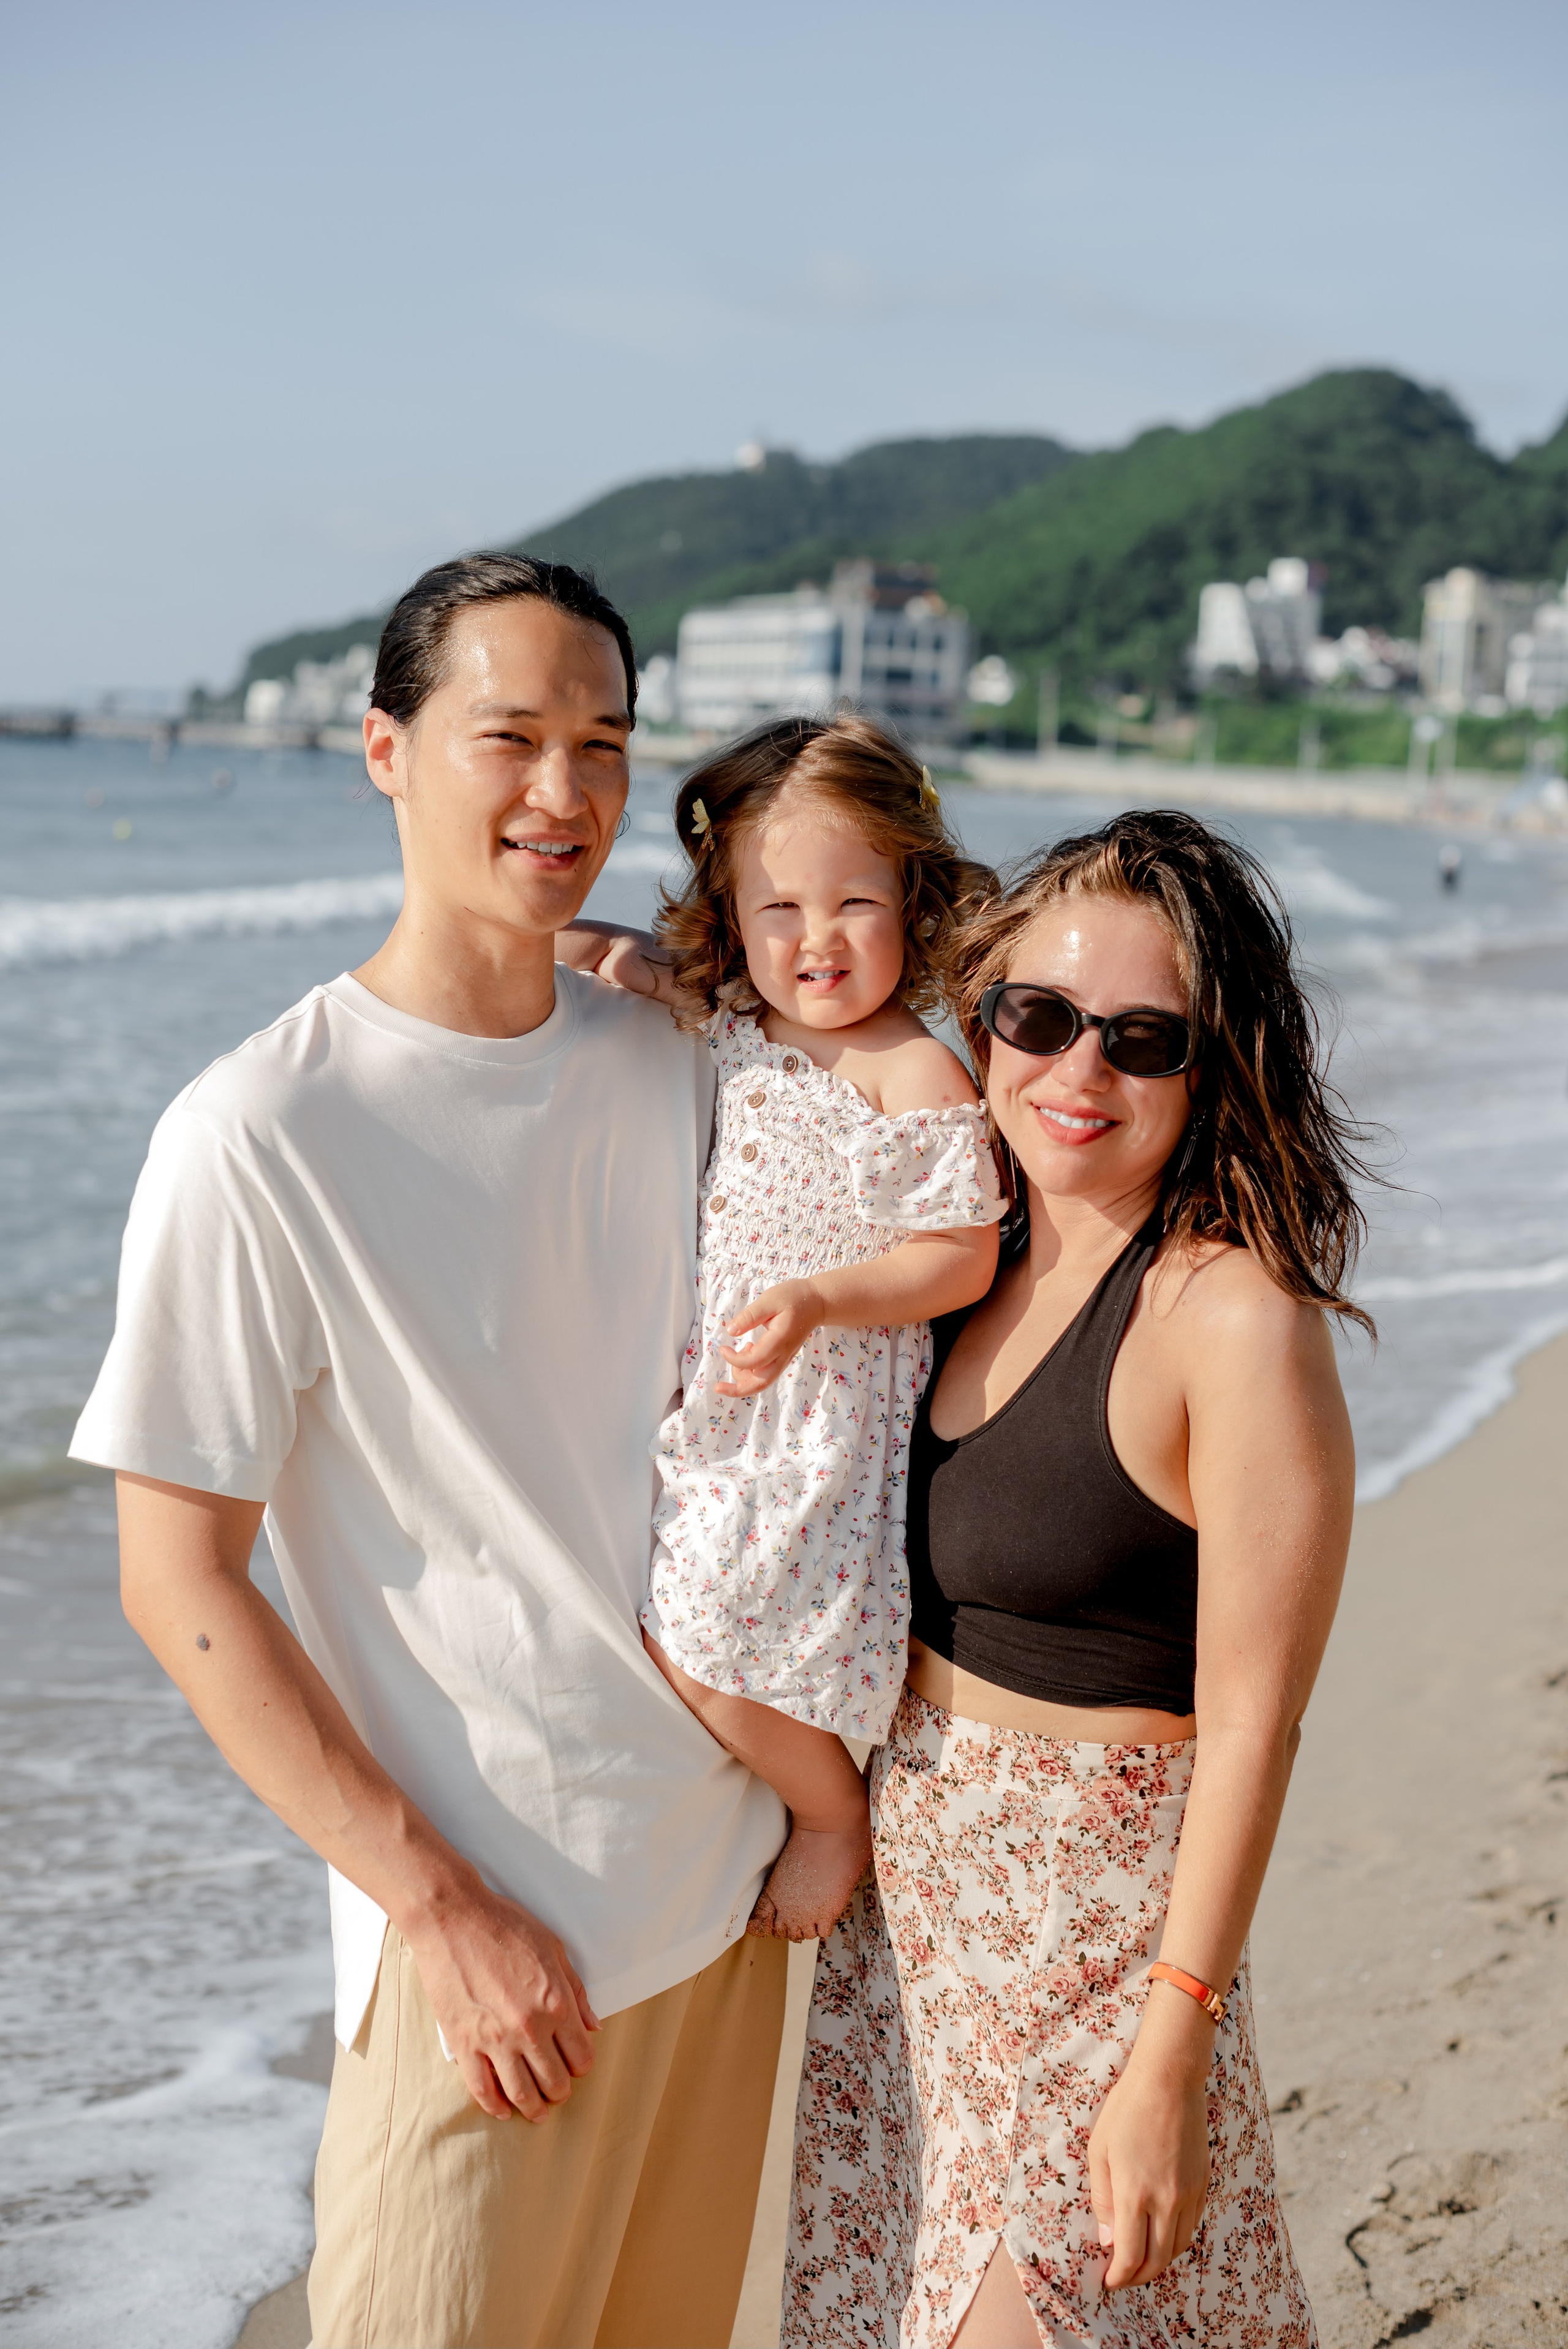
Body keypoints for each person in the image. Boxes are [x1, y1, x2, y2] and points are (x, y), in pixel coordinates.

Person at [69, 554, 791, 2349]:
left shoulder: (673, 1058)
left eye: (605, 742)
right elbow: (178, 1579)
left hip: (718, 1905)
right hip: (489, 1970)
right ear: (386, 752)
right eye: (512, 737)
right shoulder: (258, 1132)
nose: (567, 792)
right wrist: (439, 1903)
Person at [785, 808, 1365, 2349]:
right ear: (982, 1022)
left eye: (1141, 1038)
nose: (1076, 1072)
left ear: (1211, 1062)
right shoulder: (956, 1252)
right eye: (1036, 1019)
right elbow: (800, 1009)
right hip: (910, 1929)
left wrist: (1166, 2052)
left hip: (1088, 1940)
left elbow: (1253, 1726)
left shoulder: (1229, 1315)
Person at [569, 717, 1003, 1941]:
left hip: (822, 1413)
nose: (814, 941)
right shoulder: (734, 1022)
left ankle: (827, 1814)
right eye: (776, 910)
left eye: (853, 903)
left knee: (702, 1640)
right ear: (728, 913)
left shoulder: (911, 1068)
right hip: (728, 1400)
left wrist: (823, 1299)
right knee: (684, 1619)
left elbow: (958, 1252)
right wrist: (554, 945)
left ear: (910, 899)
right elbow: (619, 957)